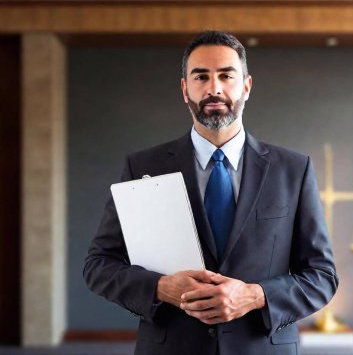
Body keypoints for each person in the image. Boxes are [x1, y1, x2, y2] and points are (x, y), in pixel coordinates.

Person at [83, 30, 338, 355]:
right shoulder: (143, 166)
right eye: (201, 76)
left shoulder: (293, 169)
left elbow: (322, 276)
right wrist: (161, 288)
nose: (214, 88)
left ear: (245, 86)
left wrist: (256, 295)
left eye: (226, 76)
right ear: (185, 88)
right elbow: (99, 264)